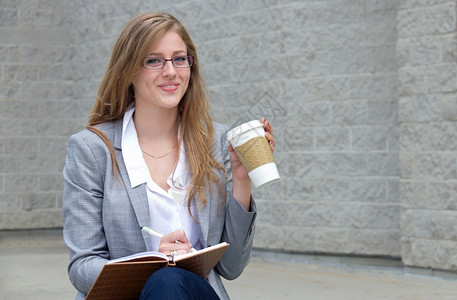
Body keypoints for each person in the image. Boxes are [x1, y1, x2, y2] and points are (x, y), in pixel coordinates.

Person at [62, 12, 275, 300]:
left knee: (171, 283)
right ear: (128, 71)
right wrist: (151, 265)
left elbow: (231, 267)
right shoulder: (92, 150)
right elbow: (82, 267)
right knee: (166, 281)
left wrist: (242, 181)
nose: (171, 71)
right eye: (153, 60)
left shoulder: (215, 141)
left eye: (179, 58)